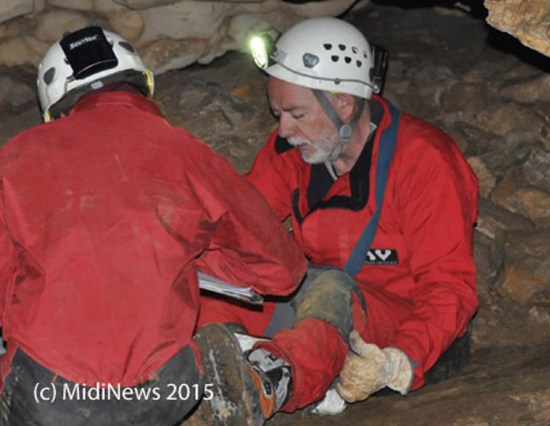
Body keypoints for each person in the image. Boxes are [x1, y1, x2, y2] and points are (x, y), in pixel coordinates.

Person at [0, 26, 306, 425]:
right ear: (139, 83)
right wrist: (184, 254)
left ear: (54, 104)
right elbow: (282, 272)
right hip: (165, 391)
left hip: (48, 396)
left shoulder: (16, 159)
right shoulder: (187, 152)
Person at [195, 17, 479, 425]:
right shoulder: (291, 153)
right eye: (278, 113)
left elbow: (449, 288)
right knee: (212, 286)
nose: (284, 130)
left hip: (401, 324)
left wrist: (399, 361)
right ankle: (215, 367)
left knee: (330, 287)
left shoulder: (425, 162)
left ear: (344, 103)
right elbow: (240, 227)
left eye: (296, 113)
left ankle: (268, 383)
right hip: (319, 307)